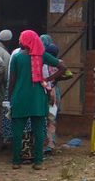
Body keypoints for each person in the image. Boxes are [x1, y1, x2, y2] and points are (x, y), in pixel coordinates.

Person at [8, 30, 66, 169]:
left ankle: (16, 161)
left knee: (17, 131)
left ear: (25, 41)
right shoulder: (41, 56)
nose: (20, 42)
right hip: (38, 97)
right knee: (39, 130)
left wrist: (11, 98)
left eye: (21, 39)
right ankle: (38, 161)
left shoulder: (17, 58)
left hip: (20, 96)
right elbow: (63, 67)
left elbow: (13, 80)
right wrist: (47, 79)